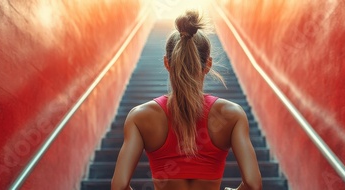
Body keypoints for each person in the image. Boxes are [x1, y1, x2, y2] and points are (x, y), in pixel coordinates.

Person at [111, 10, 262, 190]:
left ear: (167, 63)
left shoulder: (140, 117)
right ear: (208, 64)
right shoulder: (232, 114)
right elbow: (253, 184)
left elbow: (119, 186)